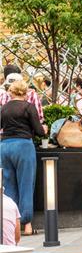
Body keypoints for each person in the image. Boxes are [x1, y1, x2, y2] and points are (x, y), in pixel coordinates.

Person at [0, 79, 46, 236]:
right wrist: (44, 129)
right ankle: (26, 226)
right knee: (26, 185)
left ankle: (11, 227)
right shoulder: (28, 107)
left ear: (11, 92)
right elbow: (39, 131)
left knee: (8, 186)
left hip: (5, 146)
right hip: (23, 146)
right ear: (26, 93)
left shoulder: (4, 108)